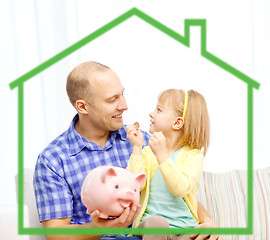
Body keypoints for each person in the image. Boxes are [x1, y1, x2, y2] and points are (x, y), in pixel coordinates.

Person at [33, 61, 223, 240]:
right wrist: (100, 227)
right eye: (112, 99)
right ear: (83, 106)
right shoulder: (53, 160)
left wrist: (207, 221)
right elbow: (56, 234)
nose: (124, 105)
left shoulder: (143, 141)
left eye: (122, 94)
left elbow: (172, 190)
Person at [126, 89, 219, 240]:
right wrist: (136, 148)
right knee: (157, 223)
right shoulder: (148, 152)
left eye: (159, 109)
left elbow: (180, 188)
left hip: (186, 229)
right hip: (154, 228)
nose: (151, 113)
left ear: (177, 123)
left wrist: (162, 156)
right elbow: (133, 186)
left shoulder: (193, 156)